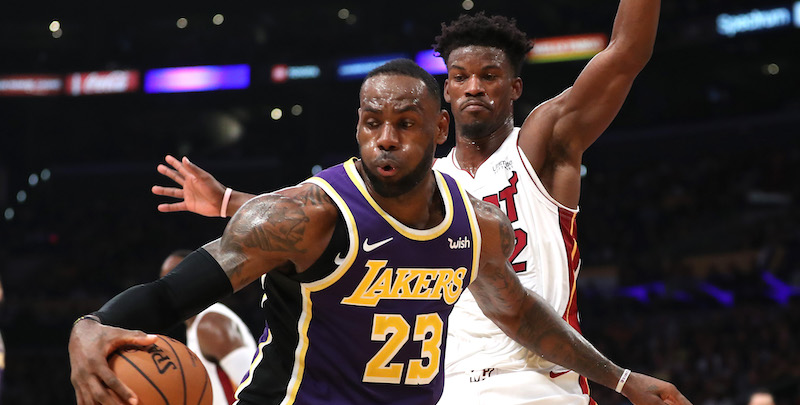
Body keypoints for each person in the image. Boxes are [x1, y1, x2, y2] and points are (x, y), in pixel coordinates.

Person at [69, 60, 690, 405]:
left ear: (440, 129)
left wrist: (622, 379)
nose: (386, 137)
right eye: (372, 123)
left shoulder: (477, 226)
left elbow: (520, 314)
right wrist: (89, 326)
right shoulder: (306, 215)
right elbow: (173, 294)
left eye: (405, 122)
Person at [160, 250, 258, 405]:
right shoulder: (195, 327)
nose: (170, 289)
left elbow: (255, 387)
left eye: (176, 280)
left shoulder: (211, 324)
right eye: (164, 283)